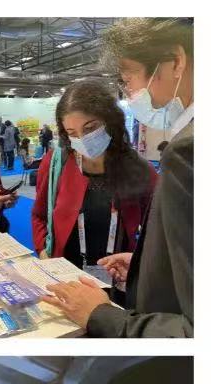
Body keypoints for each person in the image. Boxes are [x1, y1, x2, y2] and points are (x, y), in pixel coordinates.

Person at [42, 18, 193, 337]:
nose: (131, 93)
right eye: (72, 133)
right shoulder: (57, 164)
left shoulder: (183, 153)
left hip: (127, 313)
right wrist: (140, 265)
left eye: (128, 79)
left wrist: (103, 316)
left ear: (176, 61)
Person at [31, 79, 158, 287]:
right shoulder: (56, 164)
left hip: (119, 278)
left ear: (109, 120)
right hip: (67, 276)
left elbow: (159, 231)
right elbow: (39, 214)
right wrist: (43, 251)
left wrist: (142, 263)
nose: (82, 139)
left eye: (90, 128)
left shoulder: (140, 169)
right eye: (72, 133)